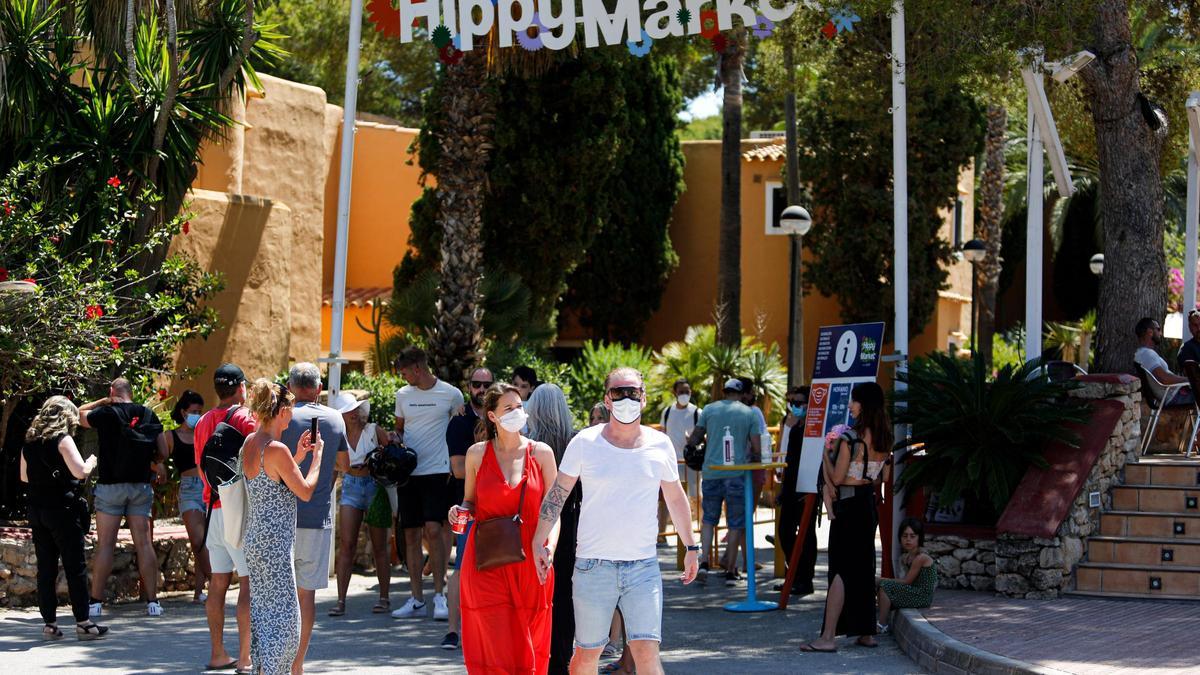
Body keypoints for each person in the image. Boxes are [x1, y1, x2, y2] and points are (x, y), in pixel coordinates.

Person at [534, 367, 700, 675]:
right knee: (586, 654)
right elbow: (558, 493)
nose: (626, 398)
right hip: (593, 566)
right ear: (607, 400)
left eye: (632, 392)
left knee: (646, 651)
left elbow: (676, 498)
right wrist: (538, 541)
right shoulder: (585, 442)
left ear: (644, 398)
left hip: (643, 567)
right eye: (618, 393)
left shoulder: (659, 444)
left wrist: (691, 546)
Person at [453, 383, 560, 673]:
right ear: (492, 417)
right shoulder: (477, 454)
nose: (517, 412)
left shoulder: (542, 454)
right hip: (487, 561)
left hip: (531, 559)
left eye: (520, 406)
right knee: (495, 645)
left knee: (530, 644)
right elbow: (469, 501)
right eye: (508, 409)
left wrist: (548, 547)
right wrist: (459, 512)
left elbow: (553, 510)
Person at [801, 381, 893, 653]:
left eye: (854, 401)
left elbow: (839, 478)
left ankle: (828, 637)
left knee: (840, 570)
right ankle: (866, 631)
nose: (850, 406)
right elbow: (884, 479)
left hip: (849, 506)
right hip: (868, 506)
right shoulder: (885, 438)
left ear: (863, 404)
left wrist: (825, 457)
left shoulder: (849, 439)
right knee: (864, 568)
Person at [241, 380, 324, 675]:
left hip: (256, 541)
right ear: (283, 411)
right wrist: (316, 460)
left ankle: (262, 669)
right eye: (290, 408)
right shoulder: (276, 449)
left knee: (264, 614)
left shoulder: (250, 443)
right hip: (275, 546)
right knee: (287, 622)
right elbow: (304, 491)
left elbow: (274, 483)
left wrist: (298, 457)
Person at [278, 362, 349, 673]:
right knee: (306, 595)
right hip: (317, 520)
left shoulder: (283, 416)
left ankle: (274, 659)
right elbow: (346, 464)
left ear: (291, 387)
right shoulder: (334, 419)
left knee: (279, 595)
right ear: (319, 388)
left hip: (281, 518)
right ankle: (297, 664)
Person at [19, 396, 108, 641]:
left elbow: (25, 477)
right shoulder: (63, 439)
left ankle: (49, 624)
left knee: (45, 569)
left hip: (37, 511)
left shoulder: (30, 441)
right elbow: (80, 472)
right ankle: (84, 622)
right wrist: (90, 462)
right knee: (74, 566)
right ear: (66, 416)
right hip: (62, 511)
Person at [78, 377, 167, 618]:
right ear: (130, 392)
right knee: (144, 544)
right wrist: (153, 463)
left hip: (110, 486)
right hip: (140, 486)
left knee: (106, 544)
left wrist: (103, 401)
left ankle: (95, 602)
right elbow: (164, 451)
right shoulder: (148, 414)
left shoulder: (106, 412)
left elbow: (78, 414)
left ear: (112, 391)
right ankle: (152, 603)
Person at [392, 347, 463, 621]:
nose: (404, 376)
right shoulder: (403, 395)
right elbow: (399, 427)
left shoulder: (451, 394)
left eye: (405, 371)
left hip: (438, 471)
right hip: (409, 473)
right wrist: (394, 437)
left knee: (434, 530)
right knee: (410, 534)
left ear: (418, 369)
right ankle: (416, 599)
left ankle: (440, 596)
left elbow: (458, 429)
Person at [193, 363, 255, 672]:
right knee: (247, 582)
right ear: (242, 387)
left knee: (218, 582)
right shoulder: (245, 418)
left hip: (212, 510)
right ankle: (245, 658)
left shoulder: (203, 421)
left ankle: (217, 653)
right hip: (238, 510)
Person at [684, 378, 761, 586]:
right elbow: (756, 448)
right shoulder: (749, 413)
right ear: (741, 393)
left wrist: (690, 442)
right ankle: (730, 569)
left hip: (711, 472)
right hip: (736, 473)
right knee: (735, 523)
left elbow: (695, 438)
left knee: (709, 519)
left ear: (724, 392)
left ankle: (704, 562)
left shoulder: (709, 409)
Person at [525, 383, 580, 675]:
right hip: (570, 526)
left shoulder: (528, 445)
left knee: (535, 594)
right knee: (564, 597)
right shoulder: (575, 441)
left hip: (535, 525)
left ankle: (537, 658)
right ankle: (561, 659)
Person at [440, 367, 493, 650]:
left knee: (495, 569)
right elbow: (459, 470)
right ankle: (452, 630)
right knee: (461, 567)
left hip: (500, 507)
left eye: (487, 384)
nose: (481, 390)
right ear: (468, 386)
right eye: (476, 384)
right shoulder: (460, 422)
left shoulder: (504, 419)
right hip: (467, 506)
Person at [329, 391, 391, 618]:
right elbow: (335, 469)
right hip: (351, 485)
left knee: (379, 547)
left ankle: (384, 598)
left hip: (374, 485)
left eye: (355, 410)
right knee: (347, 545)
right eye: (348, 412)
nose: (353, 415)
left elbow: (393, 452)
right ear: (341, 416)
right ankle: (341, 601)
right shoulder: (338, 436)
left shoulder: (373, 430)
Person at [164, 389, 211, 604]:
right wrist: (158, 468)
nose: (198, 415)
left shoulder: (206, 432)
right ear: (183, 412)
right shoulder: (171, 436)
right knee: (198, 539)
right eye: (194, 411)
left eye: (201, 412)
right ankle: (214, 578)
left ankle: (199, 591)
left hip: (208, 486)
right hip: (189, 488)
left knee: (205, 542)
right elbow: (157, 457)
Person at [774, 386, 817, 596]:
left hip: (807, 488)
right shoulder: (793, 426)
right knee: (784, 532)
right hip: (791, 487)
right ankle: (795, 575)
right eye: (792, 402)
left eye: (800, 402)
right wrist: (783, 489)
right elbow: (789, 461)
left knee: (807, 536)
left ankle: (804, 579)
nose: (795, 406)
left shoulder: (813, 430)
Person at [876, 518, 936, 634]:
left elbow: (907, 581)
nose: (908, 540)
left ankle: (882, 623)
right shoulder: (907, 557)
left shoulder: (921, 557)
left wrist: (880, 579)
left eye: (912, 536)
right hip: (912, 591)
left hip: (921, 596)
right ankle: (879, 620)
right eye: (905, 536)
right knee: (881, 586)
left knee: (884, 586)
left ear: (919, 538)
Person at [1135, 317, 1193, 405]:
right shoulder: (1147, 354)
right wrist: (1190, 379)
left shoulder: (1141, 354)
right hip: (1174, 397)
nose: (1161, 333)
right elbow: (1164, 379)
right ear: (1150, 332)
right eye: (1158, 329)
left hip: (1171, 395)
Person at [659, 379, 700, 501]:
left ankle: (701, 520)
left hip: (692, 463)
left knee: (696, 497)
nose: (684, 394)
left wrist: (694, 440)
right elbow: (662, 433)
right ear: (674, 393)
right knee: (675, 498)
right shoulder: (667, 412)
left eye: (687, 391)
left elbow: (704, 437)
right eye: (681, 392)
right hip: (673, 463)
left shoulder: (697, 412)